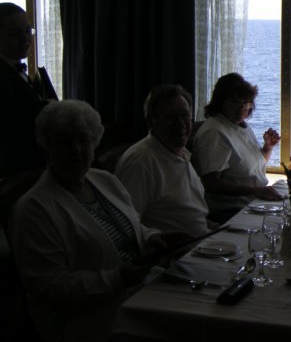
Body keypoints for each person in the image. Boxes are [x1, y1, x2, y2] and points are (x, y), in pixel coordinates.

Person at [9, 100, 181, 342]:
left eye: (84, 141)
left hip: (136, 296)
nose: (76, 150)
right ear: (47, 146)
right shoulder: (34, 208)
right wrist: (118, 278)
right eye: (65, 142)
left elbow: (131, 225)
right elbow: (49, 285)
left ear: (95, 144)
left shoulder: (104, 180)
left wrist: (153, 237)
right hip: (90, 321)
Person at [115, 84, 215, 237]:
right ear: (152, 121)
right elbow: (124, 222)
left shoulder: (180, 153)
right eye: (170, 117)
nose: (180, 124)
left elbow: (184, 211)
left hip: (203, 240)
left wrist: (207, 224)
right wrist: (153, 237)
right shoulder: (140, 162)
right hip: (174, 249)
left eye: (184, 115)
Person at [192, 72, 283, 223]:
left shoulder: (240, 126)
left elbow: (252, 167)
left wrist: (268, 147)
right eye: (234, 101)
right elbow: (212, 183)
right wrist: (254, 191)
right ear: (220, 102)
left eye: (245, 102)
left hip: (252, 202)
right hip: (232, 210)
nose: (241, 108)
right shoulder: (214, 132)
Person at [0, 2, 58, 179]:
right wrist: (47, 110)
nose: (25, 39)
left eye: (27, 31)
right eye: (14, 33)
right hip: (17, 172)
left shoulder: (13, 69)